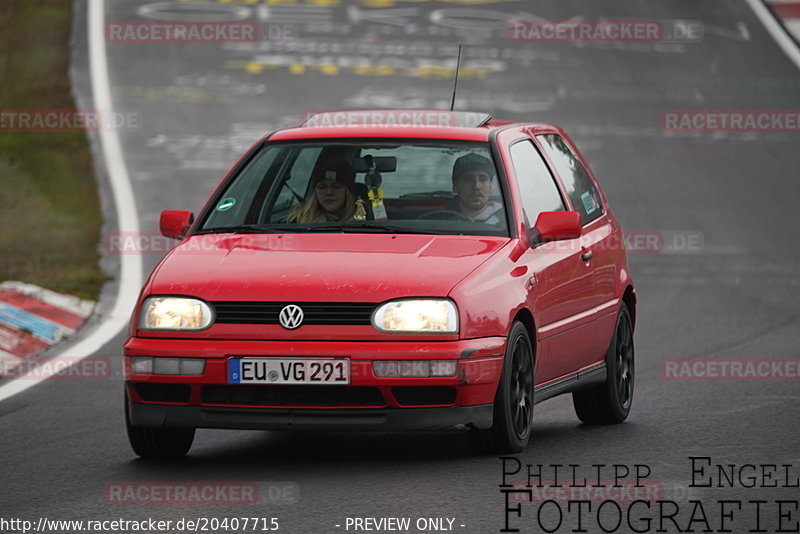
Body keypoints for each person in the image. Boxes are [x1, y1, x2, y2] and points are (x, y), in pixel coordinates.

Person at [288, 159, 358, 223]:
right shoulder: (299, 221)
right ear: (315, 191)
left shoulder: (364, 221)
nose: (329, 192)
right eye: (321, 187)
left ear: (347, 190)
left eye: (336, 186)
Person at [451, 153, 503, 224]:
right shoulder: (439, 219)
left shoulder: (508, 218)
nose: (476, 186)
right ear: (455, 187)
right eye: (468, 179)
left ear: (490, 186)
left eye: (483, 179)